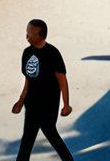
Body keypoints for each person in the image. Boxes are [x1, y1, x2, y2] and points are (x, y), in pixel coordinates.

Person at [13, 19, 74, 161]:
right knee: (28, 138)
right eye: (27, 32)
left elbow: (62, 81)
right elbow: (28, 79)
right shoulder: (27, 52)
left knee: (48, 132)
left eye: (30, 33)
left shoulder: (53, 54)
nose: (27, 36)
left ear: (40, 36)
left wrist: (66, 105)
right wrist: (21, 100)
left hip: (48, 104)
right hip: (32, 103)